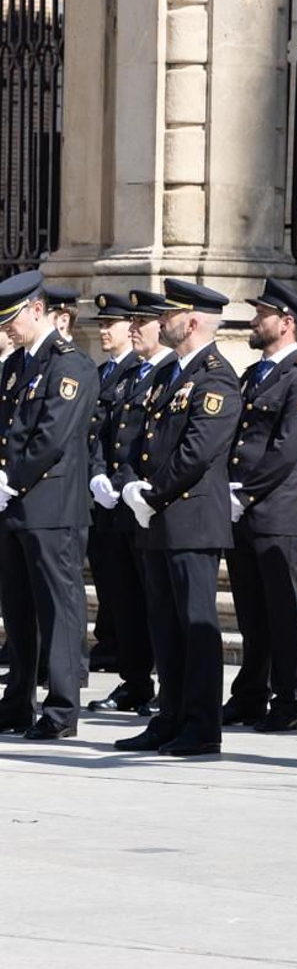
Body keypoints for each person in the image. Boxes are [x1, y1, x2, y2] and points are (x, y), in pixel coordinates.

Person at [114, 280, 241, 757]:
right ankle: (169, 718)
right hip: (157, 518)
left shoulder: (216, 377)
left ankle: (201, 726)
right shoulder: (169, 376)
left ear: (191, 322)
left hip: (189, 518)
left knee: (194, 625)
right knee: (163, 624)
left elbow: (197, 452)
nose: (158, 321)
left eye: (167, 315)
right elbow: (138, 439)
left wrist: (151, 492)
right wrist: (131, 484)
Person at [220, 278, 297, 732]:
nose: (253, 320)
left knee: (282, 610)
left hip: (274, 512)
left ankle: (289, 700)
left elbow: (287, 451)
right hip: (241, 511)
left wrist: (242, 493)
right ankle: (250, 694)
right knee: (250, 610)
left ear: (286, 324)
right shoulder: (255, 375)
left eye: (261, 314)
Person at [0, 270, 98, 739]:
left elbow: (51, 437)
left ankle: (61, 709)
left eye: (12, 319)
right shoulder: (15, 365)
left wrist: (10, 479)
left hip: (51, 507)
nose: (7, 328)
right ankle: (18, 700)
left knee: (58, 610)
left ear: (37, 310)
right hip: (13, 506)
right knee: (17, 609)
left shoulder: (70, 365)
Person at [87, 293, 178, 715]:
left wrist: (127, 482)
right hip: (113, 506)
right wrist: (98, 473)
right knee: (121, 598)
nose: (135, 327)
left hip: (144, 503)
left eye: (143, 320)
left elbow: (156, 446)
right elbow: (104, 434)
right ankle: (134, 680)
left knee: (152, 600)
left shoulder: (168, 375)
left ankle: (165, 683)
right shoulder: (128, 377)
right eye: (134, 320)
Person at [83, 294, 142, 680]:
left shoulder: (138, 370)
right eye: (101, 324)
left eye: (111, 324)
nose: (103, 330)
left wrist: (116, 481)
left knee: (128, 587)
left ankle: (127, 656)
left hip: (125, 494)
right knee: (107, 577)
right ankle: (111, 646)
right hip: (97, 488)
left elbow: (130, 436)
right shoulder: (100, 371)